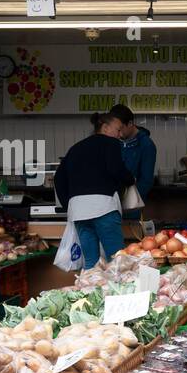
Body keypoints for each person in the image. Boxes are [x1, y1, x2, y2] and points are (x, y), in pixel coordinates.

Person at [54, 112, 136, 269]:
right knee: (117, 261)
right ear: (105, 128)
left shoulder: (75, 148)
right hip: (103, 207)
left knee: (91, 263)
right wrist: (130, 179)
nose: (120, 134)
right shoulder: (110, 143)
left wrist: (69, 204)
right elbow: (115, 169)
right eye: (118, 130)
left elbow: (58, 179)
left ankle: (92, 291)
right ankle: (120, 293)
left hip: (78, 211)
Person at [110, 104, 157, 220]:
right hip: (109, 204)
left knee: (130, 237)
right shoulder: (113, 142)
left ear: (130, 123)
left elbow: (146, 180)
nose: (118, 133)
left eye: (120, 129)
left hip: (131, 207)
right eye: (115, 129)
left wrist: (128, 202)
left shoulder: (146, 145)